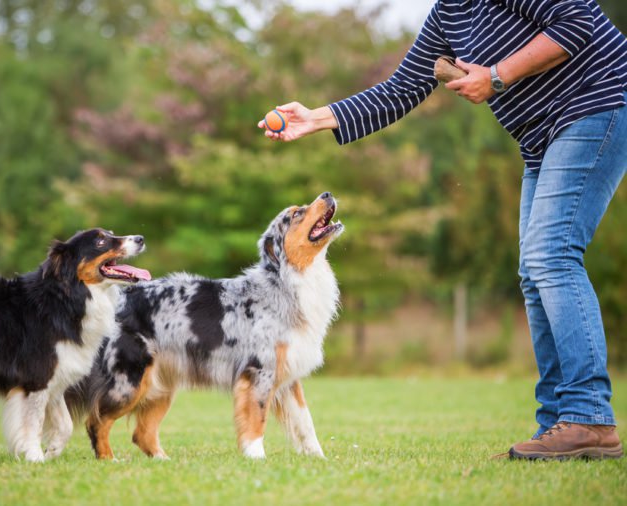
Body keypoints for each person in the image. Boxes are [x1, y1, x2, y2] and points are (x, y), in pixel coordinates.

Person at [259, 0, 627, 460]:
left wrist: (497, 76)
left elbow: (578, 21)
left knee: (550, 257)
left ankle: (588, 417)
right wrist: (317, 117)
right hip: (542, 137)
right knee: (534, 273)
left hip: (597, 106)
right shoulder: (449, 13)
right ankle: (558, 424)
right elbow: (402, 88)